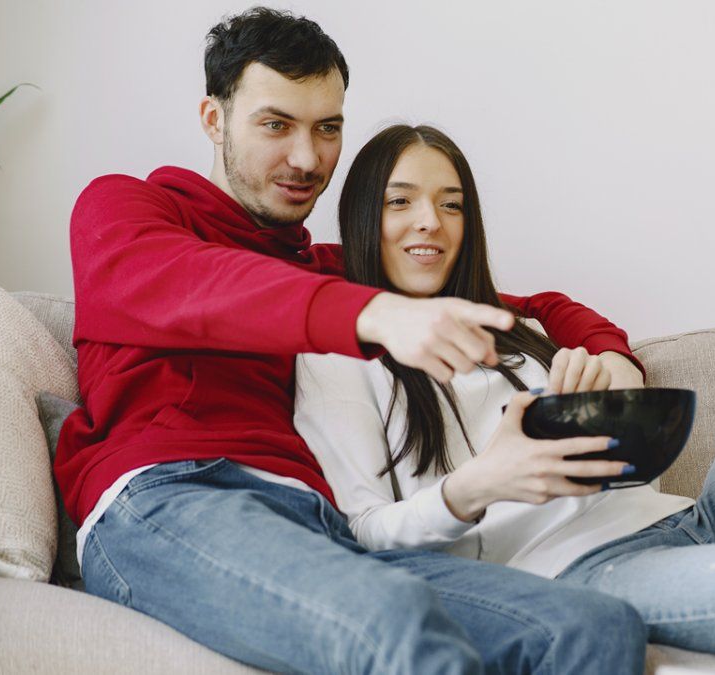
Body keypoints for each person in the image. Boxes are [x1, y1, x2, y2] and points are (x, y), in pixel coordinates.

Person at [56, 8, 651, 674]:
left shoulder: (325, 273)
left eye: (327, 128)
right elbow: (195, 283)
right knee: (394, 621)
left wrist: (611, 354)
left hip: (320, 528)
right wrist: (375, 314)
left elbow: (524, 305)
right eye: (276, 125)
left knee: (591, 624)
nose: (307, 158)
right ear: (214, 119)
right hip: (172, 497)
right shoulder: (129, 211)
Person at [294, 125, 715, 668]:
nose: (430, 222)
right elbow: (363, 531)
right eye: (401, 201)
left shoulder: (523, 332)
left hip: (693, 523)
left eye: (452, 204)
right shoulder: (340, 361)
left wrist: (611, 386)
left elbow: (599, 372)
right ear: (364, 217)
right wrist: (480, 482)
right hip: (583, 570)